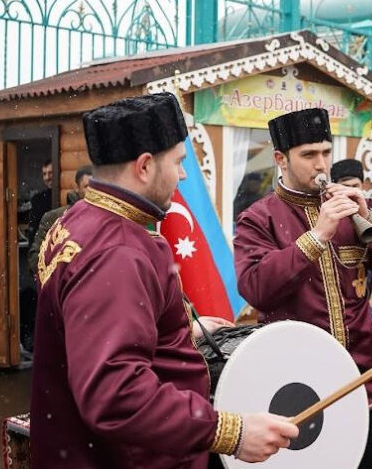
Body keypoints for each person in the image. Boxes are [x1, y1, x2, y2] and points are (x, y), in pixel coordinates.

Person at [31, 93, 297, 468]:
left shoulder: (80, 219)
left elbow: (88, 328)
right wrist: (229, 432)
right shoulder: (117, 252)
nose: (183, 175)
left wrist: (181, 331)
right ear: (144, 166)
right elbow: (116, 393)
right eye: (178, 162)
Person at [234, 108, 372, 469]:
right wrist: (315, 237)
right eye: (308, 154)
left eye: (326, 152)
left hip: (364, 386)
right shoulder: (259, 218)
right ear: (281, 159)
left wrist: (370, 216)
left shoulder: (349, 210)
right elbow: (256, 288)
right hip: (298, 390)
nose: (321, 165)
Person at [330, 158, 372, 317]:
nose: (351, 191)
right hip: (335, 302)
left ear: (362, 186)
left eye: (355, 186)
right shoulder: (329, 217)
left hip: (366, 300)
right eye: (345, 186)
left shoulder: (370, 215)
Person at [28, 165, 93, 277]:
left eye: (96, 187)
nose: (92, 191)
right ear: (77, 188)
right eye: (87, 186)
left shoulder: (107, 217)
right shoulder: (56, 217)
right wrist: (61, 277)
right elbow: (36, 259)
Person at [26, 159, 55, 244]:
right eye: (44, 174)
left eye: (50, 173)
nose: (47, 177)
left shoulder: (62, 196)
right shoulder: (37, 199)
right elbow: (33, 228)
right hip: (42, 242)